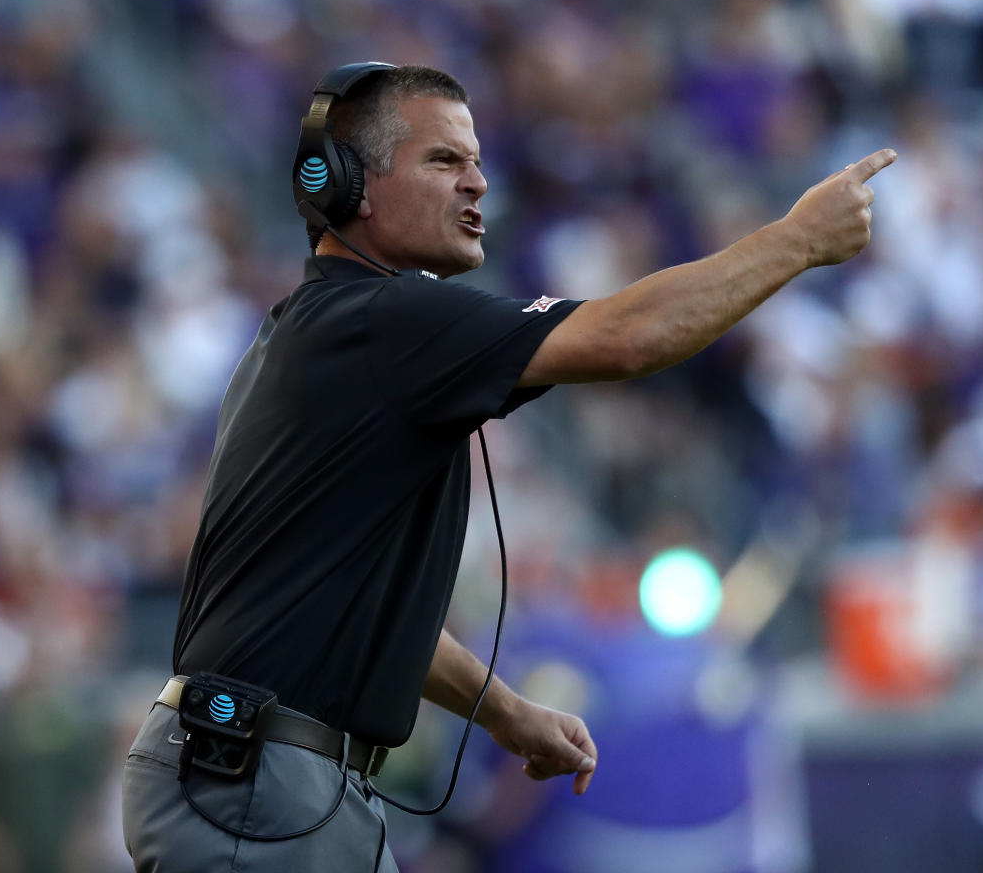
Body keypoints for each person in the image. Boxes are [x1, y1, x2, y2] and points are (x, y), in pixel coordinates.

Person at [121, 62, 895, 872]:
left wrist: (505, 714)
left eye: (479, 161)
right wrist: (798, 239)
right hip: (257, 780)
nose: (478, 184)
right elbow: (629, 336)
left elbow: (363, 613)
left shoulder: (328, 333)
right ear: (350, 184)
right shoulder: (381, 318)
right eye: (443, 161)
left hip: (270, 778)